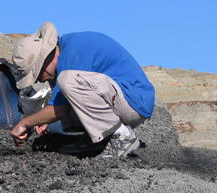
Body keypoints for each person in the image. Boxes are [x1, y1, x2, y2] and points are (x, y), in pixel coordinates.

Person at [11, 22, 155, 158]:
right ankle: (99, 139)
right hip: (124, 98)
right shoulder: (66, 50)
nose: (38, 80)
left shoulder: (73, 55)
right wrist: (43, 119)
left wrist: (24, 123)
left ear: (44, 59)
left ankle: (122, 136)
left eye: (36, 74)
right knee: (63, 83)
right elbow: (61, 103)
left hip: (133, 103)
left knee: (66, 80)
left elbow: (60, 110)